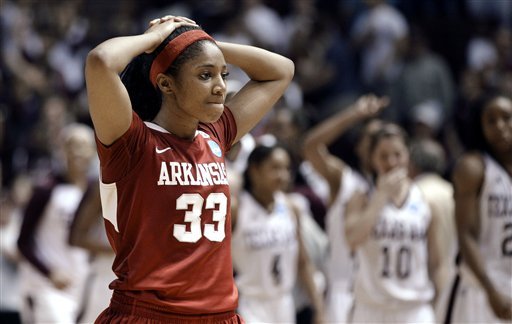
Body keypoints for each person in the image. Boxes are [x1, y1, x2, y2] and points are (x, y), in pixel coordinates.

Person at [84, 14, 294, 323]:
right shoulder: (133, 142)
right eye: (206, 75)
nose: (221, 87)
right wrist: (158, 40)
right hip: (149, 315)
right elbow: (101, 61)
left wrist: (196, 40)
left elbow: (281, 70)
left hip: (220, 315)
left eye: (223, 74)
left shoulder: (214, 135)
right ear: (166, 84)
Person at [302, 94, 388, 323]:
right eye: (371, 139)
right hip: (345, 293)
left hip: (384, 295)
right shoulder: (344, 179)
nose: (377, 145)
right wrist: (355, 114)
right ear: (359, 146)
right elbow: (311, 146)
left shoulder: (395, 188)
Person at [344, 123, 442, 323]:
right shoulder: (361, 197)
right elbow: (353, 240)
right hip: (371, 309)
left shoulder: (424, 199)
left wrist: (438, 304)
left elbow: (437, 262)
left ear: (408, 155)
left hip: (414, 309)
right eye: (383, 156)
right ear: (372, 159)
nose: (391, 162)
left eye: (397, 154)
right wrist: (380, 197)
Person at [231, 143, 324, 323]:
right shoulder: (237, 208)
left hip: (284, 303)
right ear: (254, 170)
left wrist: (319, 308)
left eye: (286, 168)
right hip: (250, 303)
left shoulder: (290, 208)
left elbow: (303, 263)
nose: (283, 175)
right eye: (275, 168)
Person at [16, 123, 96, 324]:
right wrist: (49, 272)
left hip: (82, 286)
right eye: (72, 145)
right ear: (62, 150)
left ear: (94, 151)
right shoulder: (46, 189)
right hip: (46, 287)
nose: (78, 151)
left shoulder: (97, 193)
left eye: (84, 145)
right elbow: (23, 242)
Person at [449, 93, 512, 323]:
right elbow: (466, 235)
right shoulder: (473, 168)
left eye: (506, 117)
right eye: (491, 120)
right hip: (480, 289)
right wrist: (491, 290)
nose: (500, 126)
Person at [408, 137, 456, 322]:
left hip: (423, 283)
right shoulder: (455, 192)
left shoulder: (414, 196)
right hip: (457, 283)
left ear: (411, 165)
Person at [68, 177, 116, 324]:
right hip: (103, 277)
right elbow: (76, 237)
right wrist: (121, 248)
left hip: (139, 281)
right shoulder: (102, 184)